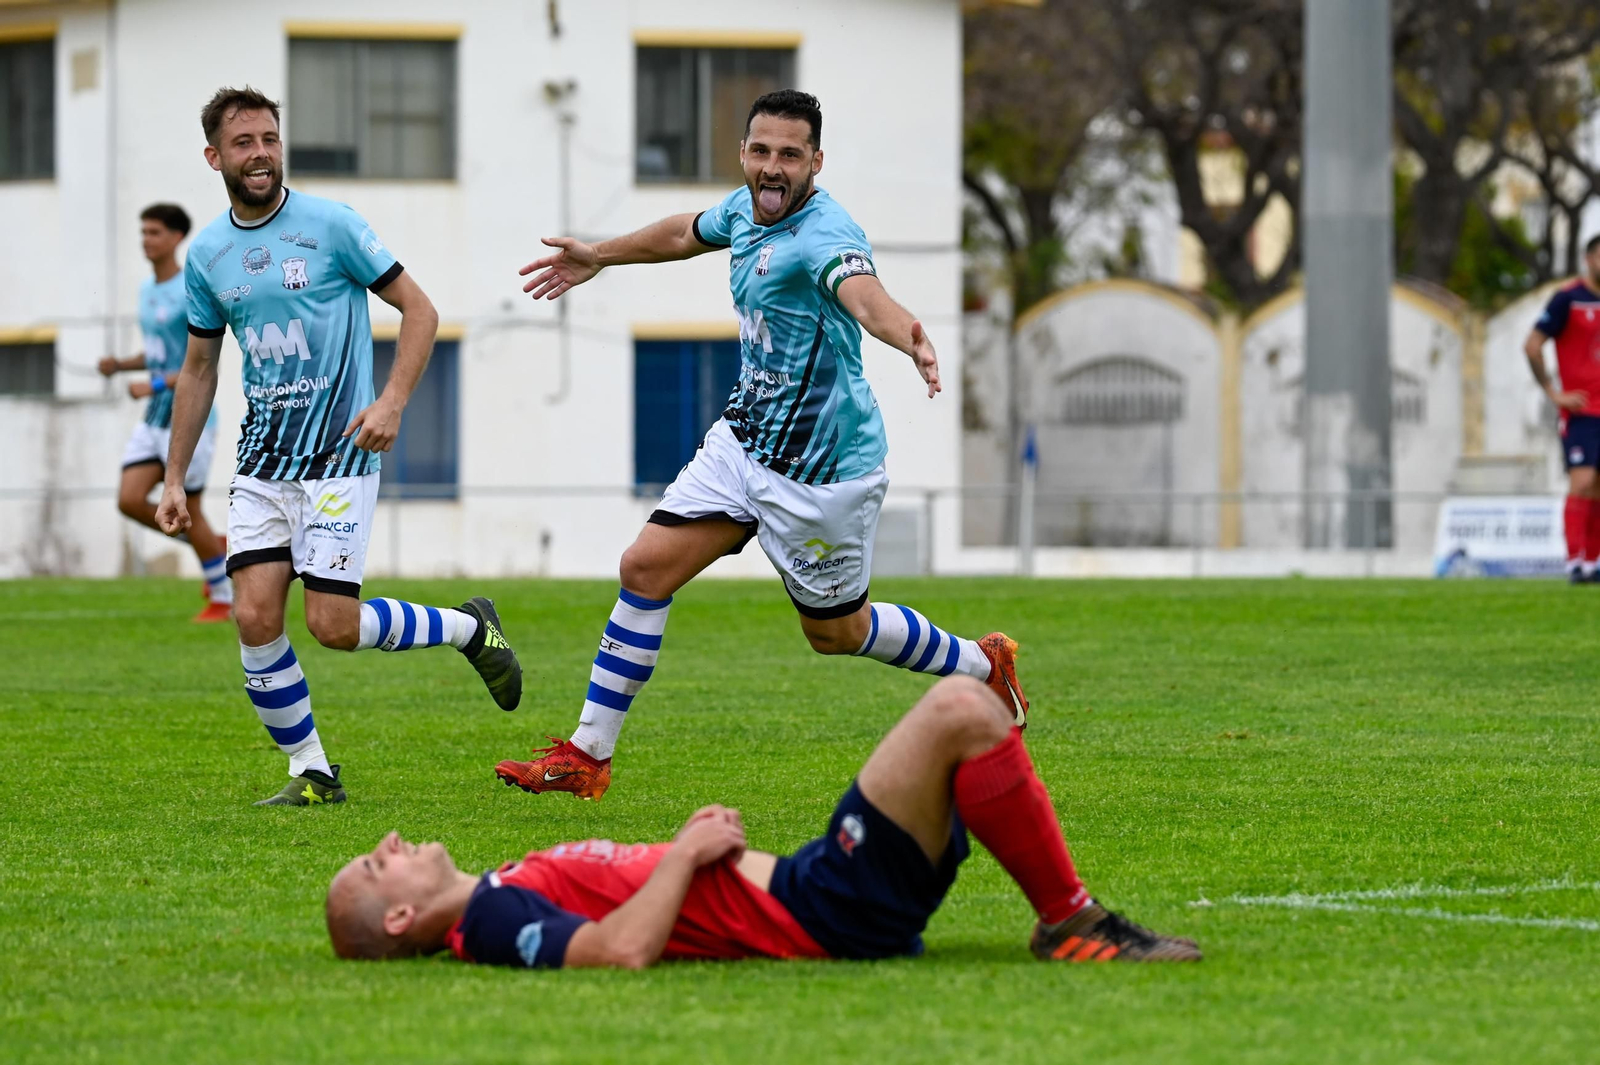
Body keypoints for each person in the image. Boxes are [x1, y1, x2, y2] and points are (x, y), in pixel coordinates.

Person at [496, 89, 1027, 801]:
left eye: (790, 155)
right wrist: (601, 255)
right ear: (744, 153)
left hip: (821, 472)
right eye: (762, 151)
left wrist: (908, 336)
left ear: (816, 162)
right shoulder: (746, 210)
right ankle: (588, 754)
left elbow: (861, 291)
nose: (773, 167)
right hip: (744, 444)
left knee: (837, 634)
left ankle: (983, 665)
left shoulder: (825, 233)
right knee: (644, 568)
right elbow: (685, 233)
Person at [155, 86, 524, 806]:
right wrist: (174, 477)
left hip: (338, 457)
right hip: (262, 462)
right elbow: (199, 369)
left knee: (331, 625)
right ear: (214, 157)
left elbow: (420, 310)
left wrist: (392, 401)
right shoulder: (207, 256)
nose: (260, 153)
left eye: (269, 138)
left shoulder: (333, 225)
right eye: (243, 143)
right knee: (253, 616)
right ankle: (313, 772)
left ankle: (468, 628)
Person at [327, 676, 1201, 967]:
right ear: (401, 916)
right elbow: (615, 953)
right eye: (375, 864)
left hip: (819, 887)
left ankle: (1068, 917)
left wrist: (684, 849)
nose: (387, 843)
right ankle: (1071, 921)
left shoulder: (499, 892)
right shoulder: (487, 918)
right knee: (961, 708)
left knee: (965, 714)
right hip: (825, 908)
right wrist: (687, 852)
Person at [98, 204, 233, 622]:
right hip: (154, 418)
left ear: (176, 238)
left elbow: (200, 362)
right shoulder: (147, 290)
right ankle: (211, 545)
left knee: (190, 508)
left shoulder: (187, 290)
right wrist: (122, 365)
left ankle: (223, 597)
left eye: (155, 232)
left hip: (188, 418)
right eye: (143, 232)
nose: (146, 240)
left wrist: (154, 384)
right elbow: (158, 354)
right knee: (129, 499)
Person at [1525, 234, 1600, 583]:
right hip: (1582, 412)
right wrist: (1553, 393)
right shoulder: (1567, 299)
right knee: (1582, 482)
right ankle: (1574, 562)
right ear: (1588, 259)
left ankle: (1593, 562)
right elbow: (1532, 345)